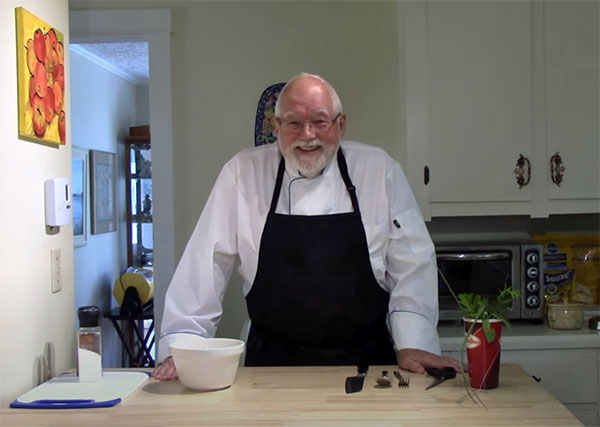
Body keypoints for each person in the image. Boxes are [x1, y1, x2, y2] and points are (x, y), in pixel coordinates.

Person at [153, 73, 460, 380]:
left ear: (340, 125)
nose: (307, 134)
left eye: (320, 121)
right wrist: (185, 346)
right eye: (294, 123)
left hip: (367, 368)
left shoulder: (378, 171)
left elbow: (412, 262)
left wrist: (414, 342)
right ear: (276, 128)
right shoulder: (241, 173)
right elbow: (206, 261)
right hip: (269, 370)